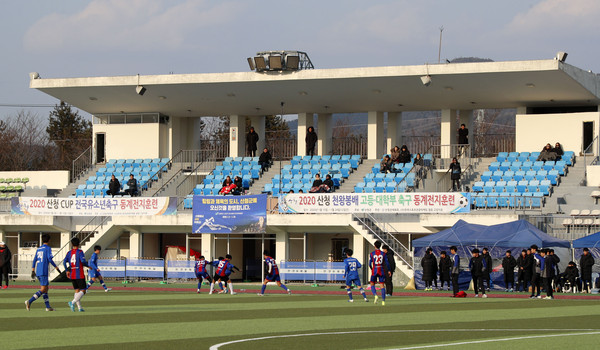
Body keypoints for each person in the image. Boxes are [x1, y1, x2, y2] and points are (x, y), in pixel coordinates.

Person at [26, 234, 61, 311]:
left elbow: (35, 259)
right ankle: (29, 301)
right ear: (49, 240)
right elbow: (49, 259)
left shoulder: (39, 249)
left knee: (46, 289)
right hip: (43, 271)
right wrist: (56, 267)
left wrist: (32, 270)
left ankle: (48, 307)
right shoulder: (48, 248)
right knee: (43, 289)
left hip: (38, 271)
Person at [64, 237, 89, 312]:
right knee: (83, 290)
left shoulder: (69, 253)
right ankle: (72, 302)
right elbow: (83, 261)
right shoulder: (80, 252)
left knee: (77, 290)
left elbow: (64, 262)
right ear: (79, 243)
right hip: (79, 274)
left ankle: (79, 308)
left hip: (72, 274)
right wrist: (88, 266)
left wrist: (67, 270)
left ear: (72, 244)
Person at [369, 240, 390, 305]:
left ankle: (375, 295)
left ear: (375, 246)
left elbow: (369, 263)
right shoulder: (383, 254)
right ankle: (383, 301)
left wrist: (372, 269)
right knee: (382, 285)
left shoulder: (372, 254)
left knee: (372, 284)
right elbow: (387, 263)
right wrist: (389, 270)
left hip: (375, 270)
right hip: (381, 270)